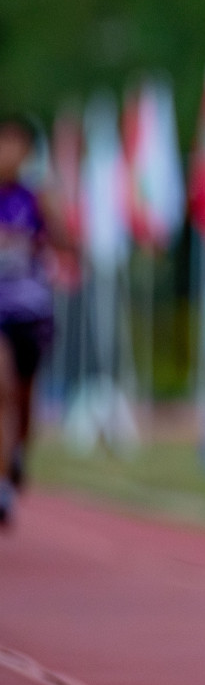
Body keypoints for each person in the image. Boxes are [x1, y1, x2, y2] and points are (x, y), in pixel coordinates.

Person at [0, 116, 66, 525]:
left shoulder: (35, 198)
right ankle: (3, 485)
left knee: (23, 401)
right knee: (2, 389)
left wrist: (51, 208)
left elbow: (65, 243)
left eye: (18, 146)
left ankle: (17, 453)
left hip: (32, 311)